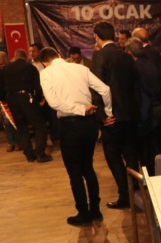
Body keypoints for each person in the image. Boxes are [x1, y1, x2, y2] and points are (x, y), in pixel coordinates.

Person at [39, 47, 114, 226]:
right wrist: (109, 113)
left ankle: (83, 213)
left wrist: (80, 109)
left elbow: (54, 103)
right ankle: (95, 210)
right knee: (88, 167)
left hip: (70, 126)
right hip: (89, 125)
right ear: (59, 55)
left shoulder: (46, 73)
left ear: (44, 63)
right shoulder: (80, 68)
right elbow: (105, 90)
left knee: (75, 172)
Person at [91, 21, 138, 209]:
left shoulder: (99, 55)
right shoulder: (126, 55)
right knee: (131, 155)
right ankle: (136, 193)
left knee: (113, 157)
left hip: (112, 118)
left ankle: (125, 196)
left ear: (96, 36)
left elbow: (97, 87)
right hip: (130, 115)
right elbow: (134, 86)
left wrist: (102, 116)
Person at [125, 36, 161, 175]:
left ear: (129, 51)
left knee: (147, 153)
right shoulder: (150, 63)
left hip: (148, 113)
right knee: (158, 146)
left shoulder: (136, 67)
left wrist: (140, 119)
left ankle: (151, 180)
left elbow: (143, 94)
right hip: (159, 108)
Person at [3, 49, 51, 163]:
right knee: (39, 125)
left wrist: (4, 100)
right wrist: (39, 98)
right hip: (27, 97)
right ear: (25, 57)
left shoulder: (6, 69)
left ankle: (29, 155)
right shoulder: (30, 67)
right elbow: (37, 86)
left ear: (15, 56)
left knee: (22, 128)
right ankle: (40, 153)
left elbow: (2, 87)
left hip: (12, 99)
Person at [0, 51, 20, 152]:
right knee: (6, 123)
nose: (1, 65)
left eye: (2, 62)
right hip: (3, 101)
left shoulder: (12, 69)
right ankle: (11, 142)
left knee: (13, 121)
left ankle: (17, 142)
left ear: (6, 60)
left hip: (14, 99)